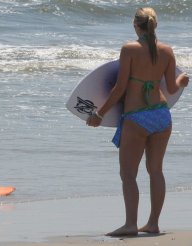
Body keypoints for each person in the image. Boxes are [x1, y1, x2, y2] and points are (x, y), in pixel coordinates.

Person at [87, 7, 189, 236]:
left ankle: (131, 224)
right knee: (156, 171)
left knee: (128, 174)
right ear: (155, 25)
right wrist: (182, 80)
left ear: (136, 25)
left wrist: (99, 114)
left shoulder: (129, 49)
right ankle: (153, 224)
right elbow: (172, 88)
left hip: (137, 117)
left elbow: (119, 88)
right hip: (162, 115)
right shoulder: (167, 51)